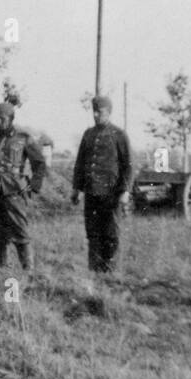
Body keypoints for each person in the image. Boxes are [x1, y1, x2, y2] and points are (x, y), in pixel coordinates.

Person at [0, 101, 48, 270]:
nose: (0, 121)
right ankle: (3, 266)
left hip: (14, 189)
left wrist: (33, 185)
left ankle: (28, 270)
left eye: (3, 118)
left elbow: (40, 163)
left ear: (11, 118)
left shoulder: (24, 138)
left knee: (20, 230)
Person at [71, 96, 133, 273]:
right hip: (91, 193)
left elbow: (128, 165)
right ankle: (95, 271)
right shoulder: (88, 134)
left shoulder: (119, 135)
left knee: (111, 234)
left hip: (111, 194)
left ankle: (110, 272)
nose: (97, 115)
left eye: (101, 112)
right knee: (93, 234)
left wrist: (126, 191)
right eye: (95, 112)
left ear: (109, 113)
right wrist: (77, 188)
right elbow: (80, 163)